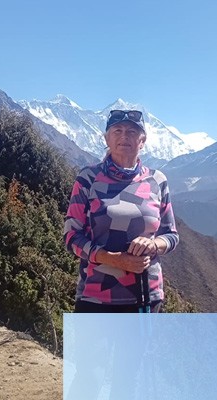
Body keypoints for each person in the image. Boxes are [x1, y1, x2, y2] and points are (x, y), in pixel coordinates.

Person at [64, 109, 179, 312]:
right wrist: (115, 260)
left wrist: (153, 245)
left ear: (142, 141)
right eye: (117, 131)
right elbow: (72, 237)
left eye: (132, 132)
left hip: (147, 296)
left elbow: (171, 236)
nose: (124, 136)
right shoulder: (88, 178)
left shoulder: (157, 180)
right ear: (106, 139)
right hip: (96, 297)